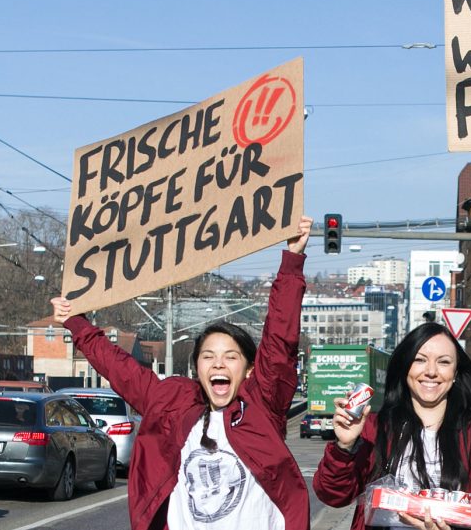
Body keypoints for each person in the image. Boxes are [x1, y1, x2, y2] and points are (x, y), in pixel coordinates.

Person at [50, 216, 313, 530]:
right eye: (208, 356)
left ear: (249, 370)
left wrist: (292, 261)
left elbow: (279, 342)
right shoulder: (171, 401)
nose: (218, 364)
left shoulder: (263, 406)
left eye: (231, 357)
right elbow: (122, 370)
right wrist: (75, 323)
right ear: (197, 367)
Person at [313, 322, 471, 530]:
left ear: (455, 373)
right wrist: (344, 447)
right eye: (420, 360)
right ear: (405, 367)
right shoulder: (375, 429)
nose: (431, 371)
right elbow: (332, 495)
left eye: (444, 362)